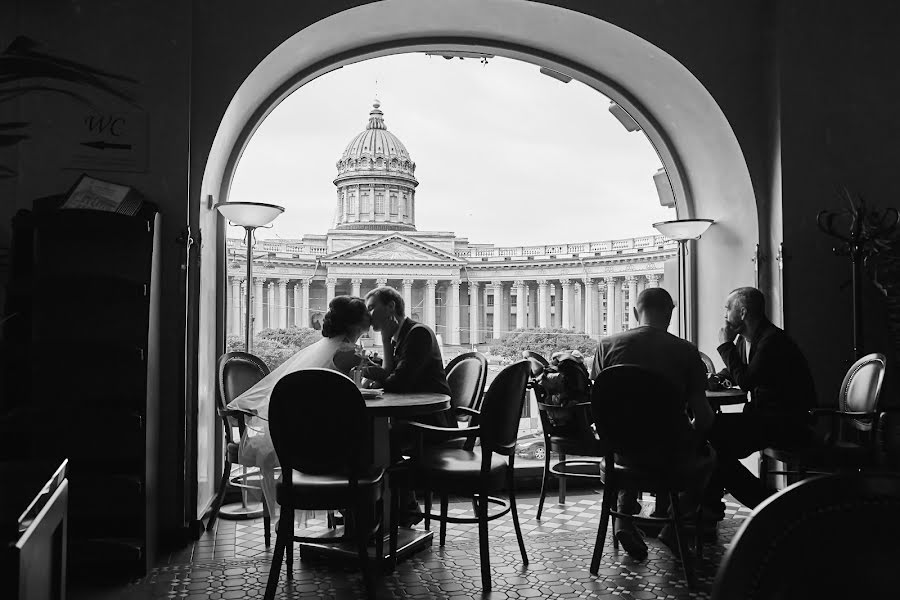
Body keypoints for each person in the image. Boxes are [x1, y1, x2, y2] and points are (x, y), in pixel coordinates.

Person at [590, 287, 716, 561]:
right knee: (710, 456)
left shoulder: (606, 346)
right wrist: (691, 439)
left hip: (621, 451)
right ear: (670, 315)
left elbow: (598, 407)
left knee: (630, 437)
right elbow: (704, 417)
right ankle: (674, 524)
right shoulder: (686, 351)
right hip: (669, 452)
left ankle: (623, 520)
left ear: (635, 313)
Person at [226, 295, 370, 525]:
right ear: (356, 324)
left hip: (296, 441)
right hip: (323, 445)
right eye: (366, 314)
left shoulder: (320, 349)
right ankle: (364, 516)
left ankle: (353, 515)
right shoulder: (348, 353)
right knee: (372, 448)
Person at [704, 286, 817, 513]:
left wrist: (725, 345)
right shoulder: (759, 338)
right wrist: (720, 378)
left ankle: (768, 505)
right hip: (768, 419)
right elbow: (748, 371)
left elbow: (746, 380)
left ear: (743, 312)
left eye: (728, 308)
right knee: (713, 443)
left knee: (711, 440)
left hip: (784, 423)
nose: (724, 314)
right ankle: (714, 510)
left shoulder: (772, 341)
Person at [362, 285, 452, 525]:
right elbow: (392, 377)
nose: (368, 315)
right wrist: (384, 346)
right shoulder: (402, 335)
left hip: (431, 423)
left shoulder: (418, 333)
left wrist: (374, 366)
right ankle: (396, 509)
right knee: (375, 439)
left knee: (377, 441)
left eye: (372, 308)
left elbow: (396, 383)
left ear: (391, 306)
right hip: (414, 418)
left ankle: (393, 510)